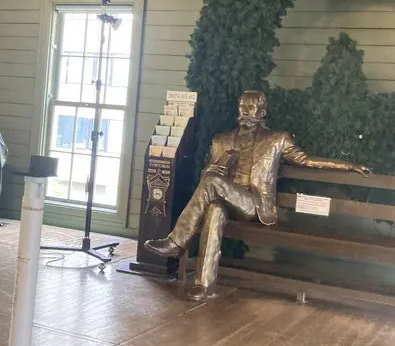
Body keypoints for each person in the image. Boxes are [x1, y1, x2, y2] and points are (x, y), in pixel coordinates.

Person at [145, 90, 371, 301]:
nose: (245, 111)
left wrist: (347, 165)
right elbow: (207, 176)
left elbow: (307, 160)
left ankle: (177, 241)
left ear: (262, 112)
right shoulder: (221, 140)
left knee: (212, 184)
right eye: (242, 106)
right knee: (214, 209)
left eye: (251, 107)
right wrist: (213, 169)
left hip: (254, 205)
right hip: (225, 201)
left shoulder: (277, 139)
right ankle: (204, 285)